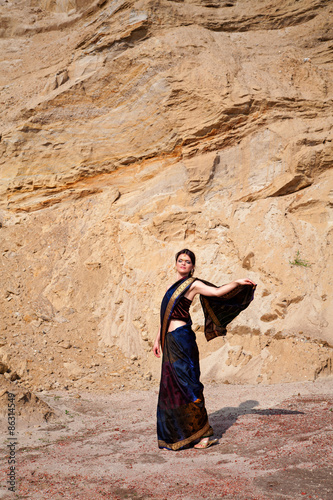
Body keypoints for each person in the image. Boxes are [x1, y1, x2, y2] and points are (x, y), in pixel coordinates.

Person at [153, 248, 256, 451]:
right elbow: (164, 316)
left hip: (183, 339)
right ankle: (182, 434)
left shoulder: (193, 284)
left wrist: (236, 283)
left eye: (187, 261)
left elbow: (217, 292)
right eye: (180, 260)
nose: (183, 263)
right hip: (169, 340)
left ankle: (205, 433)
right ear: (175, 263)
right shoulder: (170, 286)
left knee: (189, 385)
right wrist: (157, 340)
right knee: (172, 386)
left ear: (192, 266)